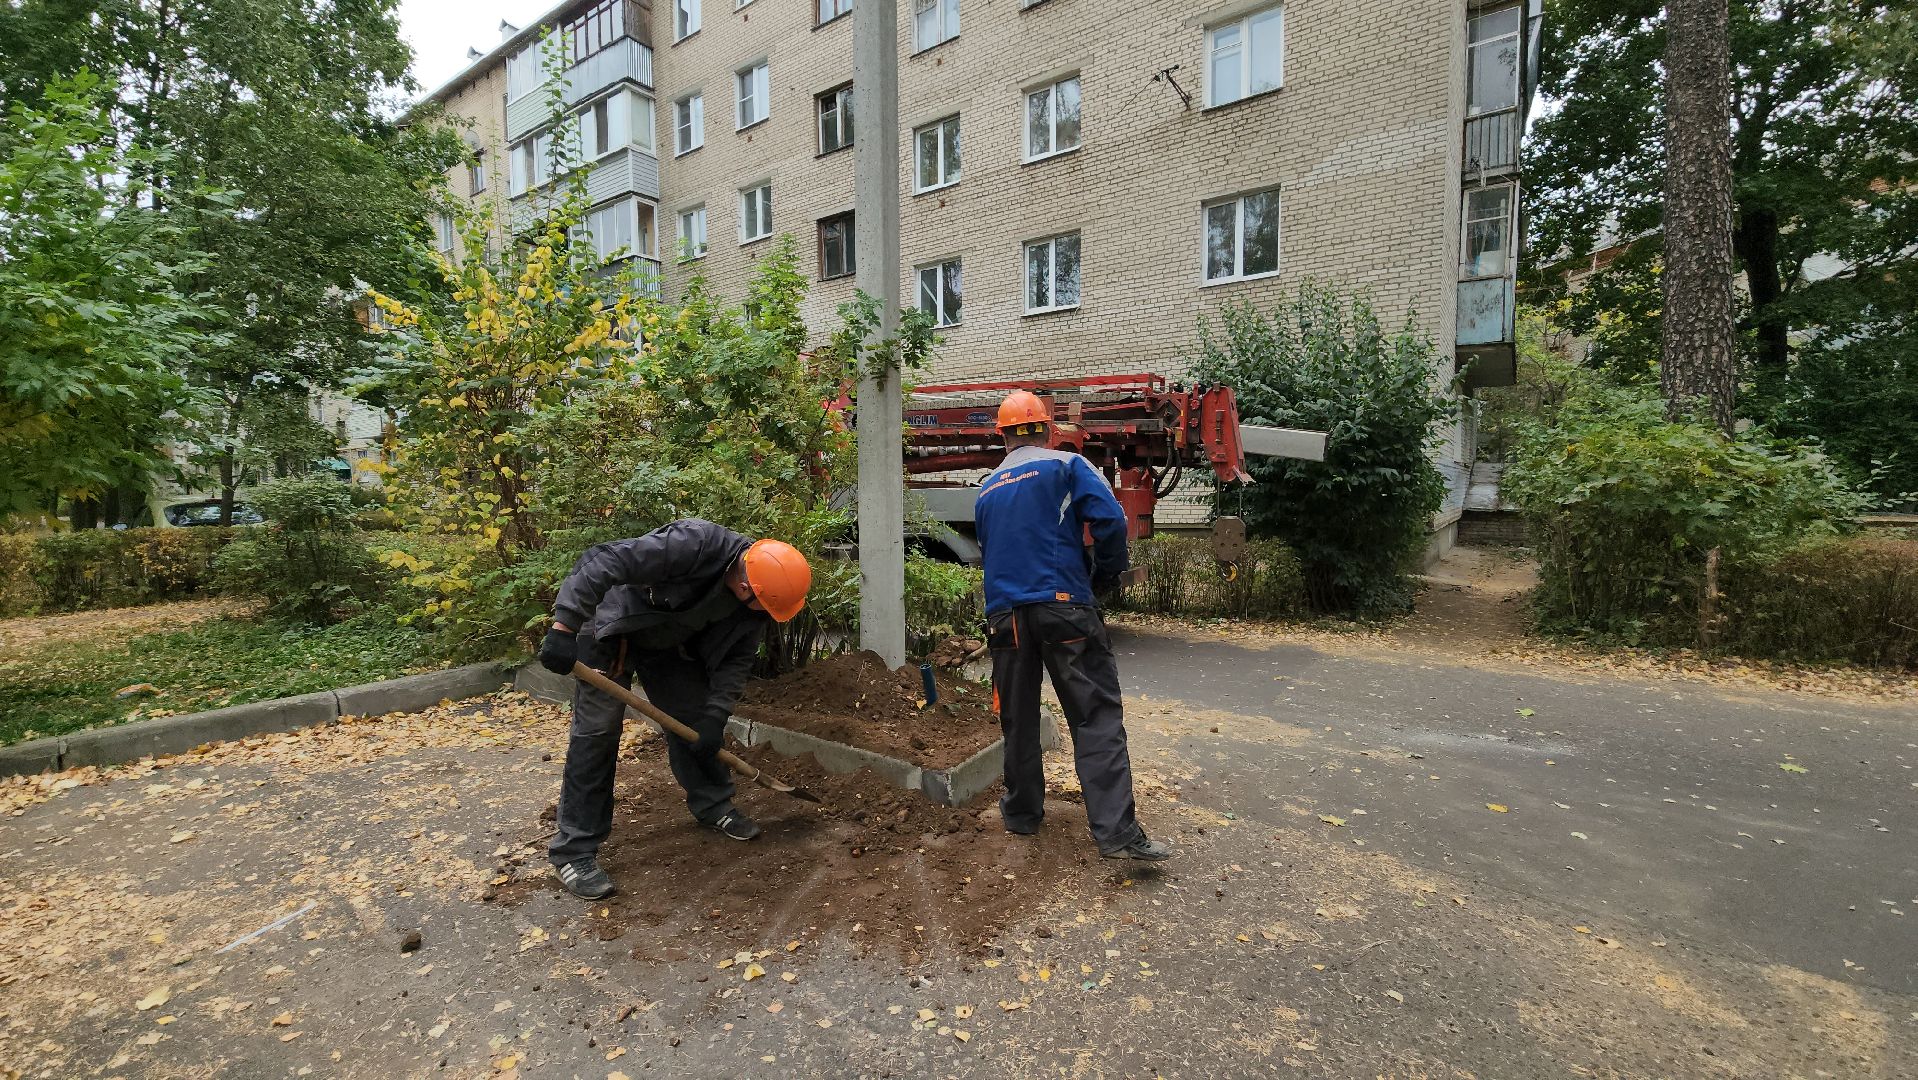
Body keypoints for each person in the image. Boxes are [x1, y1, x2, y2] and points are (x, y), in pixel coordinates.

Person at [536, 518, 812, 899]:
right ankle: (575, 851)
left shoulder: (754, 605)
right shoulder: (694, 544)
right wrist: (564, 627)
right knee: (597, 733)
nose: (761, 614)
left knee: (695, 718)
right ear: (747, 585)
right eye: (760, 606)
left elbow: (736, 660)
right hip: (611, 630)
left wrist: (716, 715)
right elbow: (602, 561)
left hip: (666, 644)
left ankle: (713, 804)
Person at [973, 391, 1173, 861]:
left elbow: (991, 551)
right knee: (1095, 716)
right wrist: (1104, 575)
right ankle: (1118, 835)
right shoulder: (1067, 466)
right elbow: (1110, 521)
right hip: (1064, 607)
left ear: (1003, 437)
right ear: (1047, 430)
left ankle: (1022, 815)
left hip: (1005, 618)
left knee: (1018, 718)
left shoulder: (986, 489)